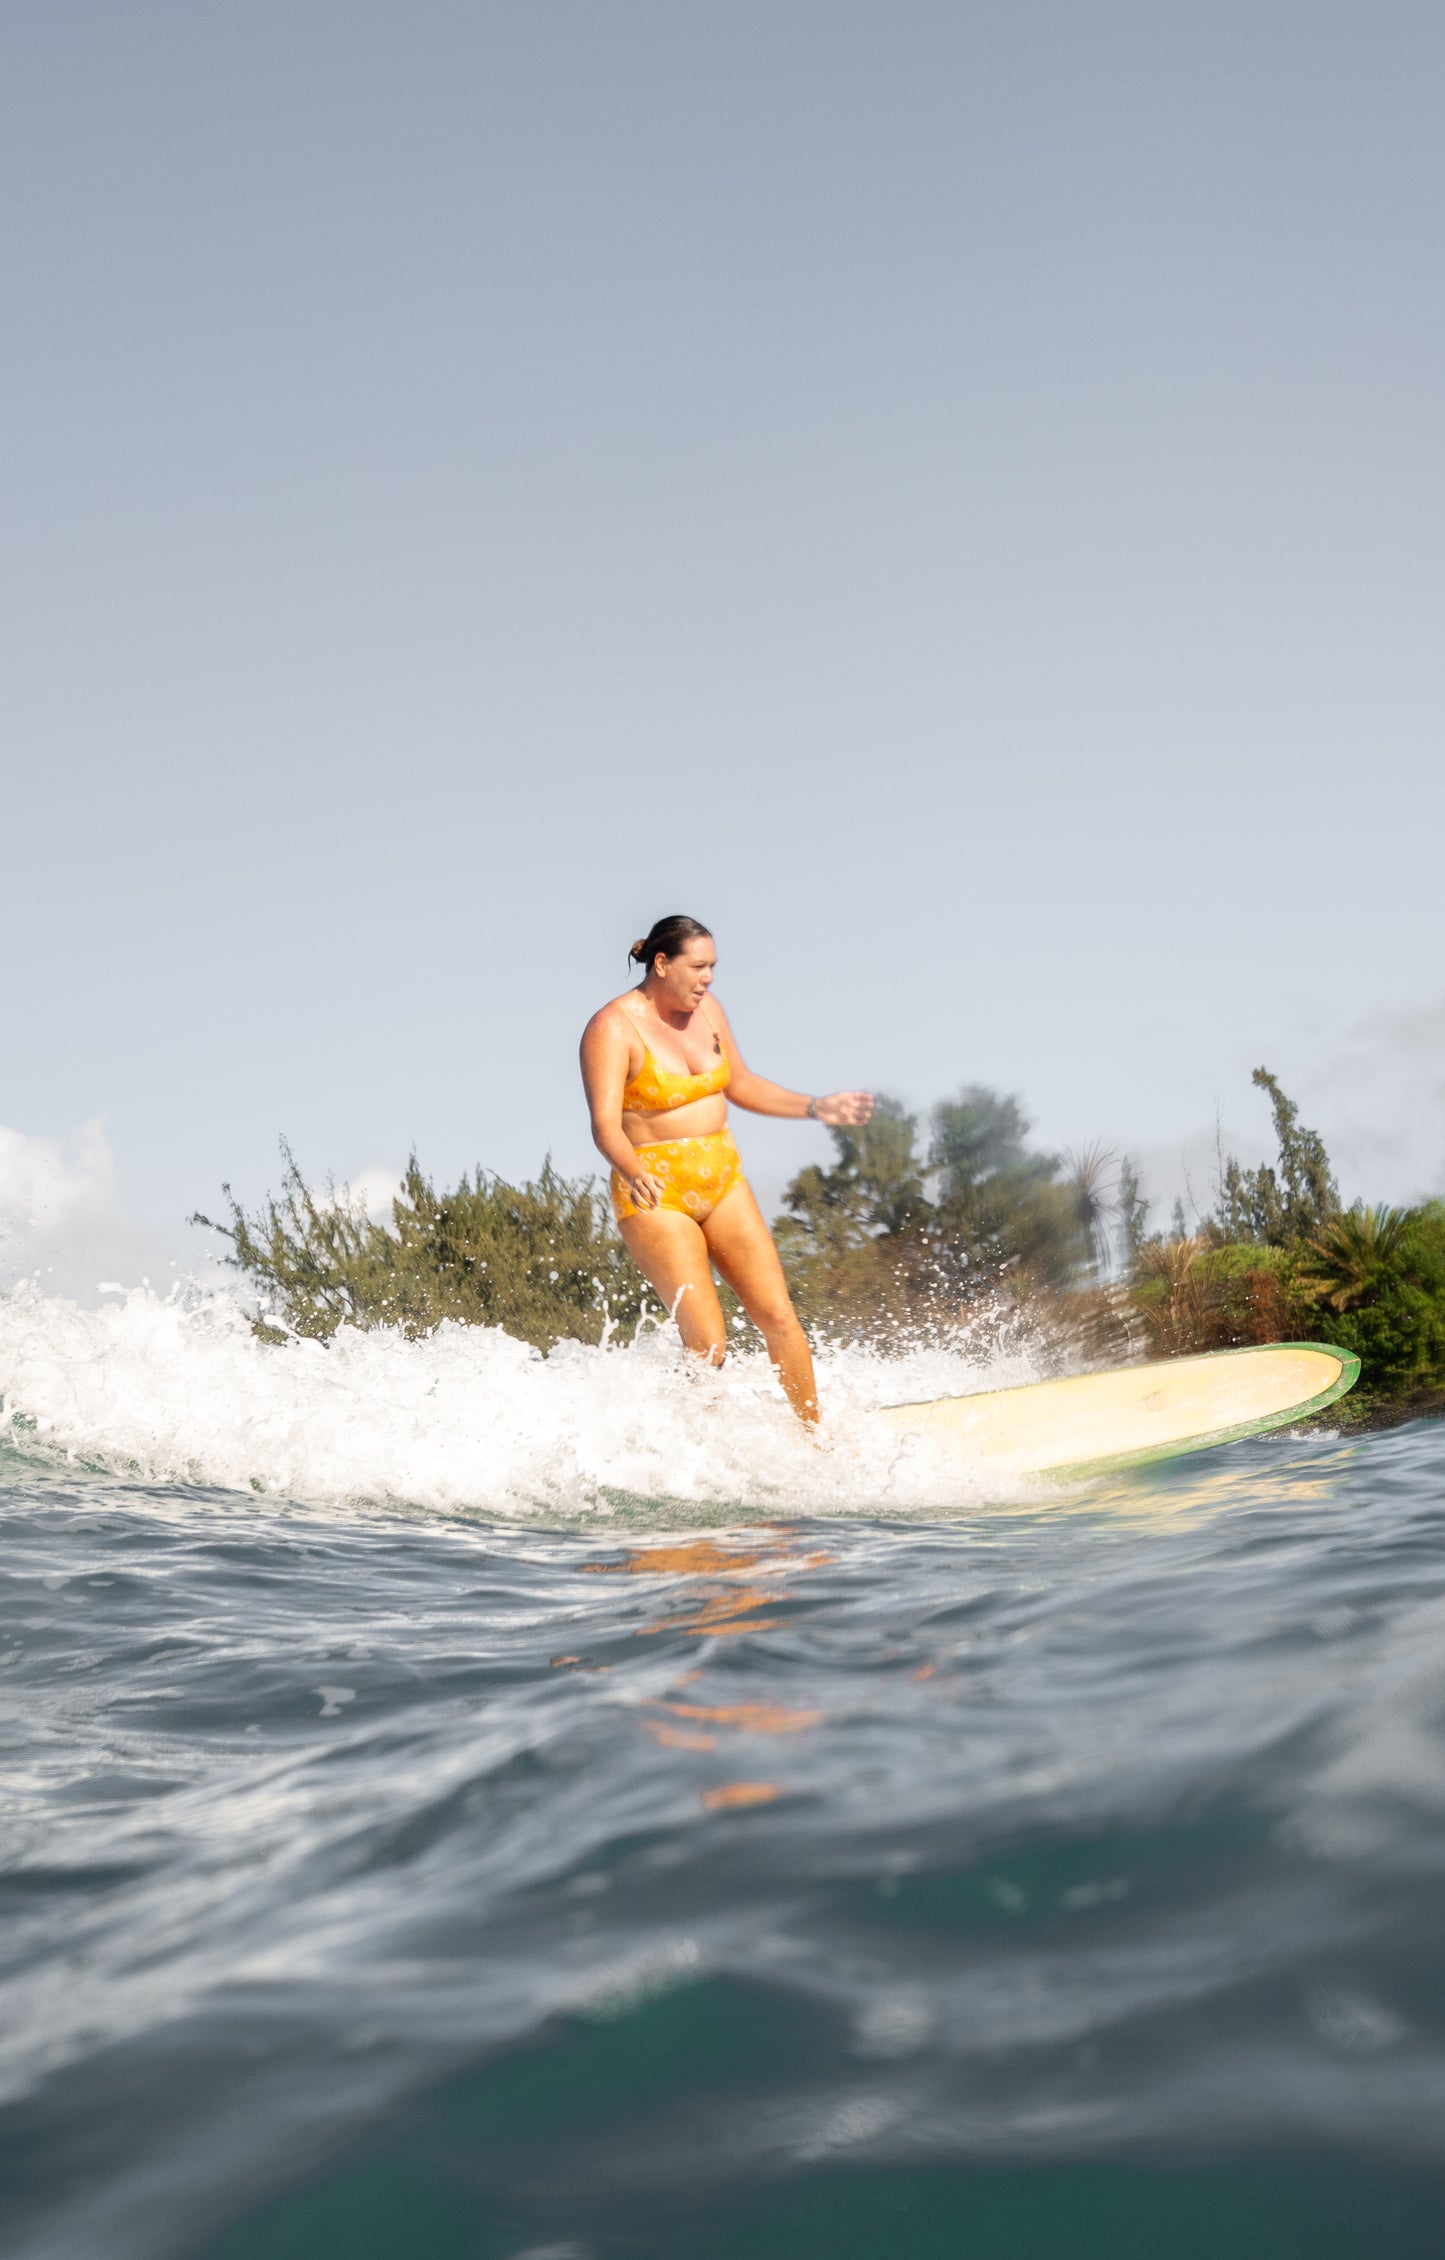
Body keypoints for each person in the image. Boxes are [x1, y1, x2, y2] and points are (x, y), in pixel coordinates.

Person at [580, 914, 873, 1424]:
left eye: (712, 966)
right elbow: (605, 1127)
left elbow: (741, 1084)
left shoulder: (708, 1012)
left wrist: (815, 1107)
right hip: (656, 1193)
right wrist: (633, 1170)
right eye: (698, 967)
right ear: (661, 963)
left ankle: (815, 1438)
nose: (708, 978)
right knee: (709, 1342)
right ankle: (695, 1444)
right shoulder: (611, 1028)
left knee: (778, 1315)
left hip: (723, 1179)